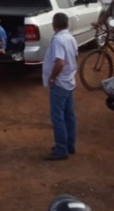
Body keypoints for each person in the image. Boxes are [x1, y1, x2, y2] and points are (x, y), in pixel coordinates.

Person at [43, 12, 78, 161]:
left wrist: (52, 78)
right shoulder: (71, 38)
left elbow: (60, 62)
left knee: (58, 117)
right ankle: (70, 143)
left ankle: (61, 148)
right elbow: (75, 57)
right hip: (69, 81)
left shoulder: (58, 39)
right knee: (69, 115)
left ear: (54, 25)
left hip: (60, 83)